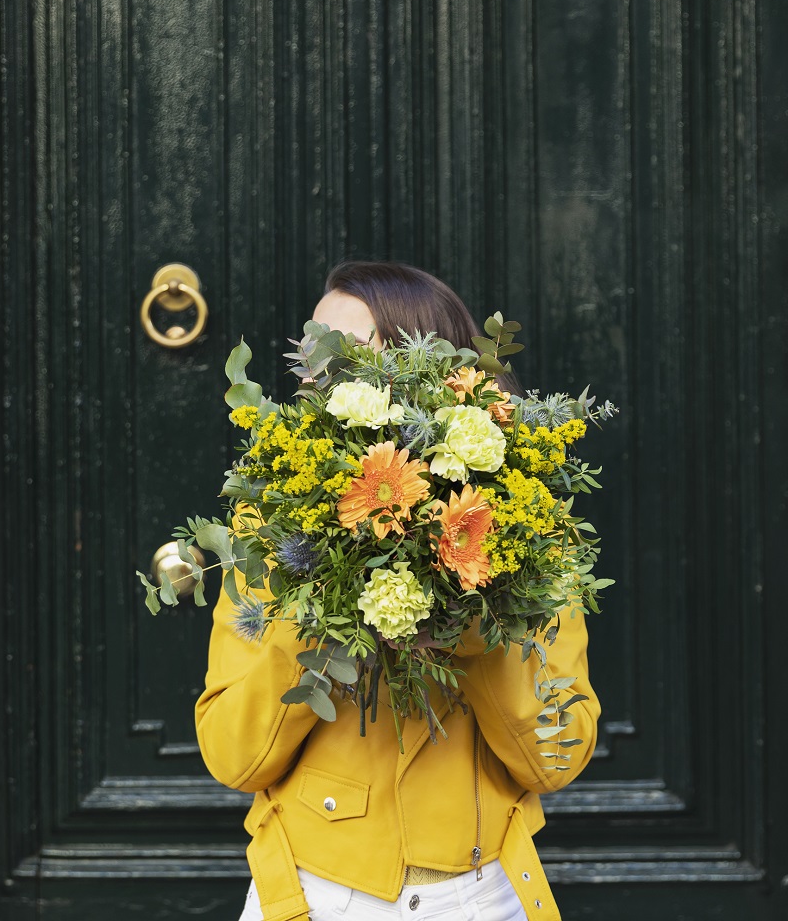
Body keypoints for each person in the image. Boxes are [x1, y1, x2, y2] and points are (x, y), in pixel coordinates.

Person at [195, 262, 600, 921]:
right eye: (309, 355)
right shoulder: (266, 522)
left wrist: (478, 610)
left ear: (430, 375)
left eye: (345, 356)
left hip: (481, 892)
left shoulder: (528, 529)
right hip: (318, 888)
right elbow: (233, 755)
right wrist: (319, 594)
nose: (315, 378)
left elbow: (556, 756)